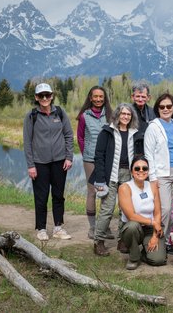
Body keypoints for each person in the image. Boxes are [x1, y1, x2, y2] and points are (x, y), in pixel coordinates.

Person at [23, 83, 73, 241]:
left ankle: (58, 227)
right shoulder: (32, 116)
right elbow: (27, 142)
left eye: (47, 95)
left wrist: (69, 157)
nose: (45, 98)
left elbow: (68, 135)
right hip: (39, 163)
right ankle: (41, 228)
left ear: (52, 96)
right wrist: (31, 165)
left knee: (58, 195)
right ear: (36, 98)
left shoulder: (60, 113)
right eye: (41, 96)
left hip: (59, 162)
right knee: (41, 197)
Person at [89, 103, 139, 256]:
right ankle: (99, 241)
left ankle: (122, 241)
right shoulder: (107, 132)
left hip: (128, 175)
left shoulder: (135, 133)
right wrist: (100, 179)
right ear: (117, 115)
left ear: (132, 117)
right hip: (110, 174)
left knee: (125, 209)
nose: (125, 117)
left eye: (128, 114)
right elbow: (99, 156)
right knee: (107, 209)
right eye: (123, 114)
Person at [144, 93, 173, 250]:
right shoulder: (153, 127)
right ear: (157, 109)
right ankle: (161, 238)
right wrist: (152, 177)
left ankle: (171, 240)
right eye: (162, 107)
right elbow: (149, 154)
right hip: (162, 174)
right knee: (165, 209)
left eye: (169, 106)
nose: (166, 109)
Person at [76, 86, 112, 239]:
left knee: (106, 193)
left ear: (105, 98)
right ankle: (92, 228)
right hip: (90, 159)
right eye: (95, 96)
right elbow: (80, 138)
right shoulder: (84, 116)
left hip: (106, 159)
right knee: (92, 192)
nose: (98, 99)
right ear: (90, 98)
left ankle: (104, 226)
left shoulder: (110, 116)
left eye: (101, 97)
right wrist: (86, 154)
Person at [118, 156, 166, 270]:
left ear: (148, 171)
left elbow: (158, 213)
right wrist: (153, 222)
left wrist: (155, 236)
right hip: (134, 227)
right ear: (131, 172)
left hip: (150, 228)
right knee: (132, 226)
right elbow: (131, 216)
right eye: (137, 168)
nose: (141, 171)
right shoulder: (125, 188)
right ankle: (134, 257)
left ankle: (146, 253)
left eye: (144, 168)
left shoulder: (153, 186)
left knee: (158, 260)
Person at [131, 82, 156, 155]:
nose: (140, 99)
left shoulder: (153, 112)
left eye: (143, 97)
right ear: (132, 97)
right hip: (131, 148)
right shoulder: (127, 112)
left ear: (148, 97)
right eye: (138, 96)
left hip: (148, 149)